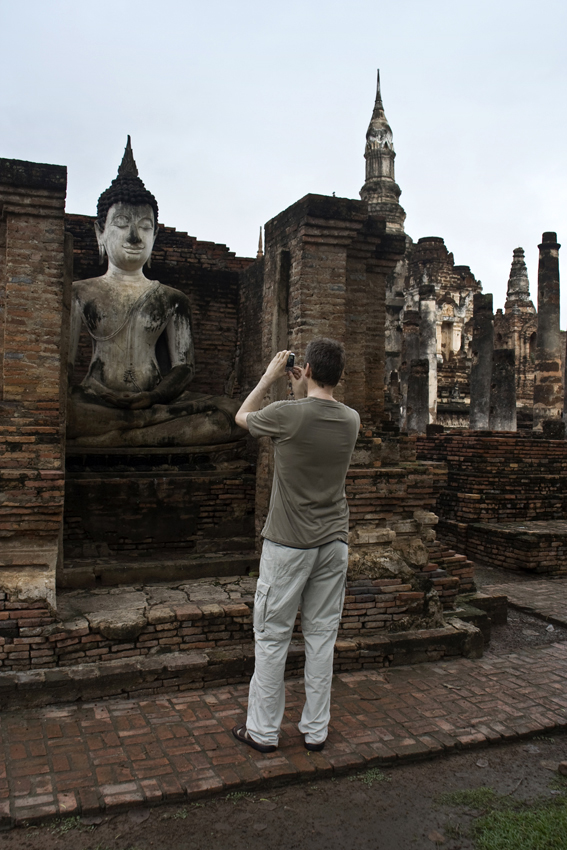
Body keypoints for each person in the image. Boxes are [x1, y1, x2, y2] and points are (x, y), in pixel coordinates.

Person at [67, 137, 241, 448]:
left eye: (145, 226)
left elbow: (184, 368)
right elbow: (62, 368)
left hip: (157, 404)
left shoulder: (172, 299)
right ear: (100, 232)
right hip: (97, 401)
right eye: (121, 223)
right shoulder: (80, 293)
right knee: (62, 412)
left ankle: (119, 437)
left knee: (232, 412)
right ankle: (132, 435)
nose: (134, 236)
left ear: (155, 234)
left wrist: (152, 397)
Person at [232, 339, 360, 753]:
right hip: (333, 543)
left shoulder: (288, 415)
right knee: (322, 638)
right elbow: (312, 416)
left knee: (272, 638)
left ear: (304, 368)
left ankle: (264, 732)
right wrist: (303, 388)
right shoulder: (351, 420)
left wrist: (270, 378)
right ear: (339, 375)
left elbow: (243, 417)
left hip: (289, 544)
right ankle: (315, 731)